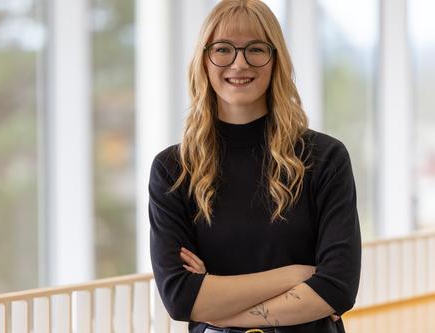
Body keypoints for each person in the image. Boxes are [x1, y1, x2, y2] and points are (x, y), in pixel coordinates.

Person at [148, 1, 362, 332]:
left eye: (256, 50)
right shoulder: (173, 170)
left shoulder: (325, 158)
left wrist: (216, 308)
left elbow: (337, 287)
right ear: (204, 61)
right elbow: (180, 298)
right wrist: (295, 275)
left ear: (275, 61)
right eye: (223, 49)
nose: (239, 63)